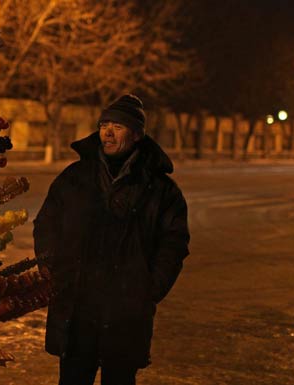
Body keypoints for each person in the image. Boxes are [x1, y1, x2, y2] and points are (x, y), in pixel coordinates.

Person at [33, 94, 190, 385]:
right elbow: (46, 223)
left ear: (137, 134)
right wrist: (49, 264)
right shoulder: (75, 177)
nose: (107, 132)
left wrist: (148, 289)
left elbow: (174, 243)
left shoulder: (161, 190)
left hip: (125, 313)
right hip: (78, 309)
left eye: (117, 126)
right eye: (104, 124)